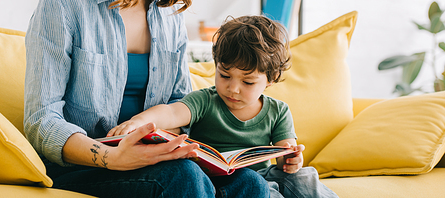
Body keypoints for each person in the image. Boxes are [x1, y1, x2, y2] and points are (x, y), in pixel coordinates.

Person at [24, 0, 271, 198]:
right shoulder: (64, 0)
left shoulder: (170, 17)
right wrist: (111, 157)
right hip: (86, 166)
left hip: (155, 163)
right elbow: (42, 120)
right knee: (181, 177)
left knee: (250, 183)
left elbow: (182, 107)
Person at [109, 15, 339, 198]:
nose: (233, 89)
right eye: (224, 75)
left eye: (247, 82)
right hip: (218, 180)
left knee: (302, 177)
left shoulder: (278, 111)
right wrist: (139, 121)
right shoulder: (205, 101)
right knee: (260, 187)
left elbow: (284, 151)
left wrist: (291, 160)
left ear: (271, 78)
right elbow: (171, 112)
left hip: (263, 175)